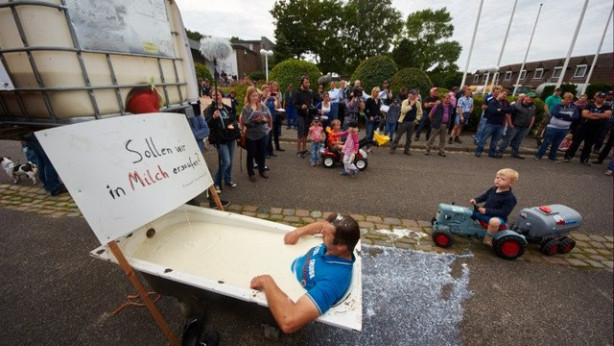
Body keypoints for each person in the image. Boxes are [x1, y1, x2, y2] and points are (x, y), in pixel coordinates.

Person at [250, 213, 360, 334]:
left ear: (341, 246)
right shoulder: (334, 247)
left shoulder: (334, 280)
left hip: (286, 281)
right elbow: (321, 226)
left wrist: (266, 281)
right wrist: (298, 232)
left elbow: (288, 322)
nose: (322, 232)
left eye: (326, 233)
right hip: (286, 260)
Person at [470, 168, 518, 247]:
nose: (498, 180)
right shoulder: (493, 189)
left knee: (494, 221)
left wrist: (486, 211)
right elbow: (484, 196)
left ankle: (488, 238)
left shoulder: (510, 198)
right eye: (497, 178)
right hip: (485, 213)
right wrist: (476, 200)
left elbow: (504, 212)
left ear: (511, 183)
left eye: (502, 179)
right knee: (469, 212)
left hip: (498, 217)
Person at [564, 92, 612, 165]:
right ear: (596, 97)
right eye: (600, 97)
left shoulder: (607, 106)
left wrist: (592, 114)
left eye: (603, 98)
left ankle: (584, 159)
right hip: (584, 126)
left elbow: (606, 115)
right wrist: (599, 116)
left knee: (589, 144)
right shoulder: (589, 105)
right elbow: (585, 114)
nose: (601, 99)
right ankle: (568, 156)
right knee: (576, 142)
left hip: (596, 128)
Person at [205, 90, 240, 193]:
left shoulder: (227, 108)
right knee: (226, 161)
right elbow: (208, 124)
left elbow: (233, 120)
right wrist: (213, 117)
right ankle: (217, 182)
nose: (216, 96)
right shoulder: (210, 110)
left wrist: (234, 127)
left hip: (230, 137)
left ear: (222, 96)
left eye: (218, 94)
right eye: (213, 95)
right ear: (211, 97)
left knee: (231, 161)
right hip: (220, 139)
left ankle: (228, 179)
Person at [536, 92, 579, 161]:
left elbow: (576, 117)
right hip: (553, 127)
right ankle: (539, 155)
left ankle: (552, 157)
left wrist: (561, 116)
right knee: (547, 142)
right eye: (566, 99)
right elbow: (554, 113)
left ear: (571, 100)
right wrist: (568, 116)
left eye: (569, 100)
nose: (567, 101)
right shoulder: (558, 105)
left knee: (557, 143)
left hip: (564, 129)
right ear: (563, 99)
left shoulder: (574, 108)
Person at [242, 86, 272, 182]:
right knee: (251, 154)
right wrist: (254, 121)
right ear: (248, 96)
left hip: (261, 133)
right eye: (253, 96)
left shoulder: (261, 106)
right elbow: (245, 122)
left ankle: (262, 170)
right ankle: (251, 173)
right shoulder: (246, 108)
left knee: (262, 153)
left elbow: (267, 117)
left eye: (256, 95)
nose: (255, 98)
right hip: (251, 135)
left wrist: (263, 119)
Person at [495, 92, 536, 159]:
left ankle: (514, 153)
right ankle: (500, 152)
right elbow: (508, 114)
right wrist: (510, 124)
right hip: (515, 126)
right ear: (525, 97)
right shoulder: (516, 105)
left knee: (518, 141)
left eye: (532, 98)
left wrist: (530, 125)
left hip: (525, 127)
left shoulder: (533, 107)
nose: (531, 99)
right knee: (507, 140)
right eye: (530, 97)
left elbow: (533, 116)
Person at [475, 90, 512, 158]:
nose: (504, 96)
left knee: (495, 140)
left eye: (506, 95)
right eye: (503, 94)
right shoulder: (492, 101)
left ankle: (491, 152)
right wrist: (503, 110)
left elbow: (510, 110)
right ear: (499, 93)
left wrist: (500, 109)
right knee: (484, 138)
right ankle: (479, 151)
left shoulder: (506, 102)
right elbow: (493, 111)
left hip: (500, 124)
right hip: (490, 123)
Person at [390, 89, 422, 155]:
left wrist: (416, 119)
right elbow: (403, 111)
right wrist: (411, 105)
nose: (415, 96)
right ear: (410, 95)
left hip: (412, 122)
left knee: (409, 138)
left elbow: (420, 113)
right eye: (414, 94)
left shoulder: (418, 103)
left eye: (416, 94)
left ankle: (407, 150)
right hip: (404, 122)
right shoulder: (405, 102)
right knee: (398, 136)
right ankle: (393, 148)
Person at [425, 93, 455, 157]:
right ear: (443, 99)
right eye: (447, 98)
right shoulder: (438, 106)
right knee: (432, 138)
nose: (448, 100)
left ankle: (441, 151)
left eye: (449, 98)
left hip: (446, 124)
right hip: (437, 124)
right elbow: (430, 115)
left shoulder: (450, 107)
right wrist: (433, 121)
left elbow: (450, 115)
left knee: (443, 139)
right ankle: (427, 150)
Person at [293, 76, 314, 158]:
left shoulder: (309, 92)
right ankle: (298, 151)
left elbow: (310, 103)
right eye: (306, 83)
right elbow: (294, 104)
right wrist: (301, 106)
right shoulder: (297, 92)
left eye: (308, 82)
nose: (308, 84)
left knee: (305, 133)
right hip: (300, 115)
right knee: (300, 134)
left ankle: (304, 150)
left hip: (308, 115)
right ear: (302, 83)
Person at [364, 87, 382, 152]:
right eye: (376, 92)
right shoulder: (369, 99)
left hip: (376, 119)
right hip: (370, 119)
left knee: (372, 134)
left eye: (378, 92)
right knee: (368, 133)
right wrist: (369, 116)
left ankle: (369, 147)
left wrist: (380, 113)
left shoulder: (378, 100)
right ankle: (367, 147)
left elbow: (377, 109)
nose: (377, 93)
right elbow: (366, 110)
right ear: (373, 92)